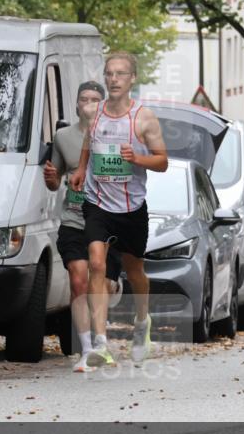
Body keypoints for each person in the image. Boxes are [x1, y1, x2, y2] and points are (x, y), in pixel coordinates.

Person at [69, 52, 169, 369]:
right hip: (97, 203)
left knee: (135, 270)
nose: (113, 79)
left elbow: (163, 161)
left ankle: (142, 321)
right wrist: (82, 169)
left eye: (120, 74)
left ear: (132, 79)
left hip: (131, 208)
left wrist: (137, 158)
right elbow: (89, 140)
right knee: (96, 264)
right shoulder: (95, 113)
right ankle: (100, 344)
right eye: (109, 74)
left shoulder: (143, 118)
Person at [43, 81, 123, 372]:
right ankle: (87, 348)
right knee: (78, 280)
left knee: (101, 283)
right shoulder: (63, 137)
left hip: (106, 219)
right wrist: (51, 178)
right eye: (84, 99)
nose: (89, 104)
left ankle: (101, 337)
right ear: (76, 105)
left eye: (95, 99)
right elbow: (54, 182)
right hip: (74, 219)